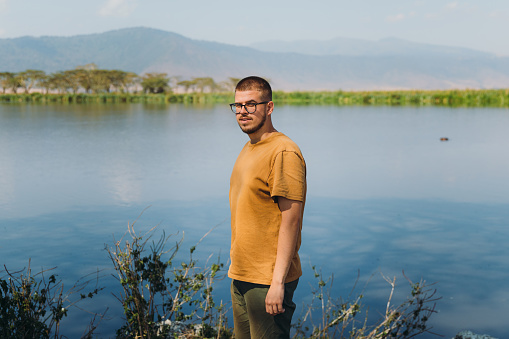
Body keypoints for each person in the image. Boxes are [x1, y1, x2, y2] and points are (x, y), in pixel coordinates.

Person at [228, 76, 306, 338]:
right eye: (238, 106)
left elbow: (291, 221)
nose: (243, 112)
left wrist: (277, 283)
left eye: (251, 104)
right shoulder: (249, 147)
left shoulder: (283, 151)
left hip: (267, 280)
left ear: (269, 107)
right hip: (241, 274)